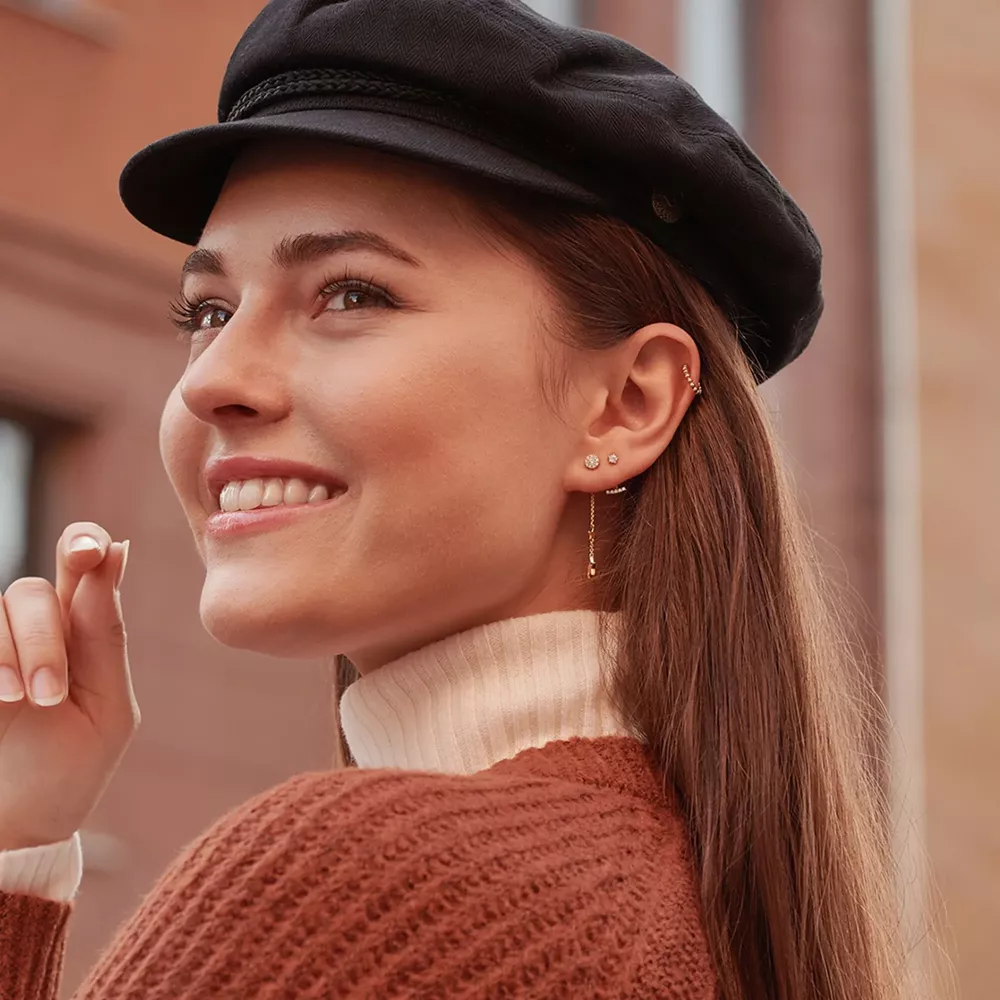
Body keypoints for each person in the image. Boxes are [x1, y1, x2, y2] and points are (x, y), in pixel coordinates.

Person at [0, 1, 912, 997]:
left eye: (351, 293)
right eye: (208, 310)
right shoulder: (695, 901)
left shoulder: (357, 874)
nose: (213, 378)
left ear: (625, 405)